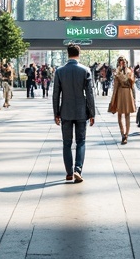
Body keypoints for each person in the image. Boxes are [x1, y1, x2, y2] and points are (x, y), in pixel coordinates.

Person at [52, 44, 96, 183]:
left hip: (65, 111)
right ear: (79, 53)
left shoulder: (59, 71)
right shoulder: (85, 70)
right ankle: (78, 169)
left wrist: (56, 113)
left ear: (67, 53)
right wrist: (92, 113)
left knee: (66, 143)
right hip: (81, 111)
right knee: (81, 141)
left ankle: (69, 173)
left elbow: (55, 94)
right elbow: (89, 94)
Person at [107, 55, 137, 145]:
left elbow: (130, 83)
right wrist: (113, 98)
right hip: (120, 92)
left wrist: (134, 97)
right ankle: (122, 133)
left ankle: (126, 135)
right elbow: (116, 85)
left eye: (123, 61)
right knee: (120, 115)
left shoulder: (128, 71)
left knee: (127, 115)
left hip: (126, 92)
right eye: (120, 61)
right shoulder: (119, 72)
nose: (122, 63)